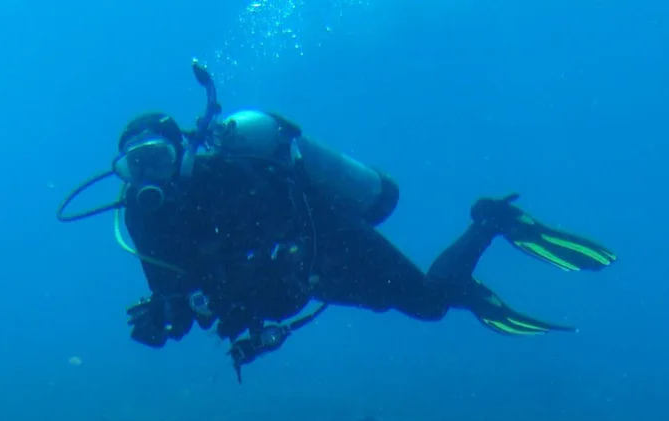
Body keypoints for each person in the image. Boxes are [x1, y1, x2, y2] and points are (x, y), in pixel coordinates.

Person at [59, 62, 614, 374]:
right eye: (136, 166)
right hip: (286, 284)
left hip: (328, 239)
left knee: (426, 304)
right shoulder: (141, 219)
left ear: (182, 150)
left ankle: (491, 221)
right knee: (422, 307)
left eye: (157, 157)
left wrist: (249, 283)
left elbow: (279, 232)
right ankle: (468, 283)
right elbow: (177, 292)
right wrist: (166, 318)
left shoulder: (232, 174)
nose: (148, 175)